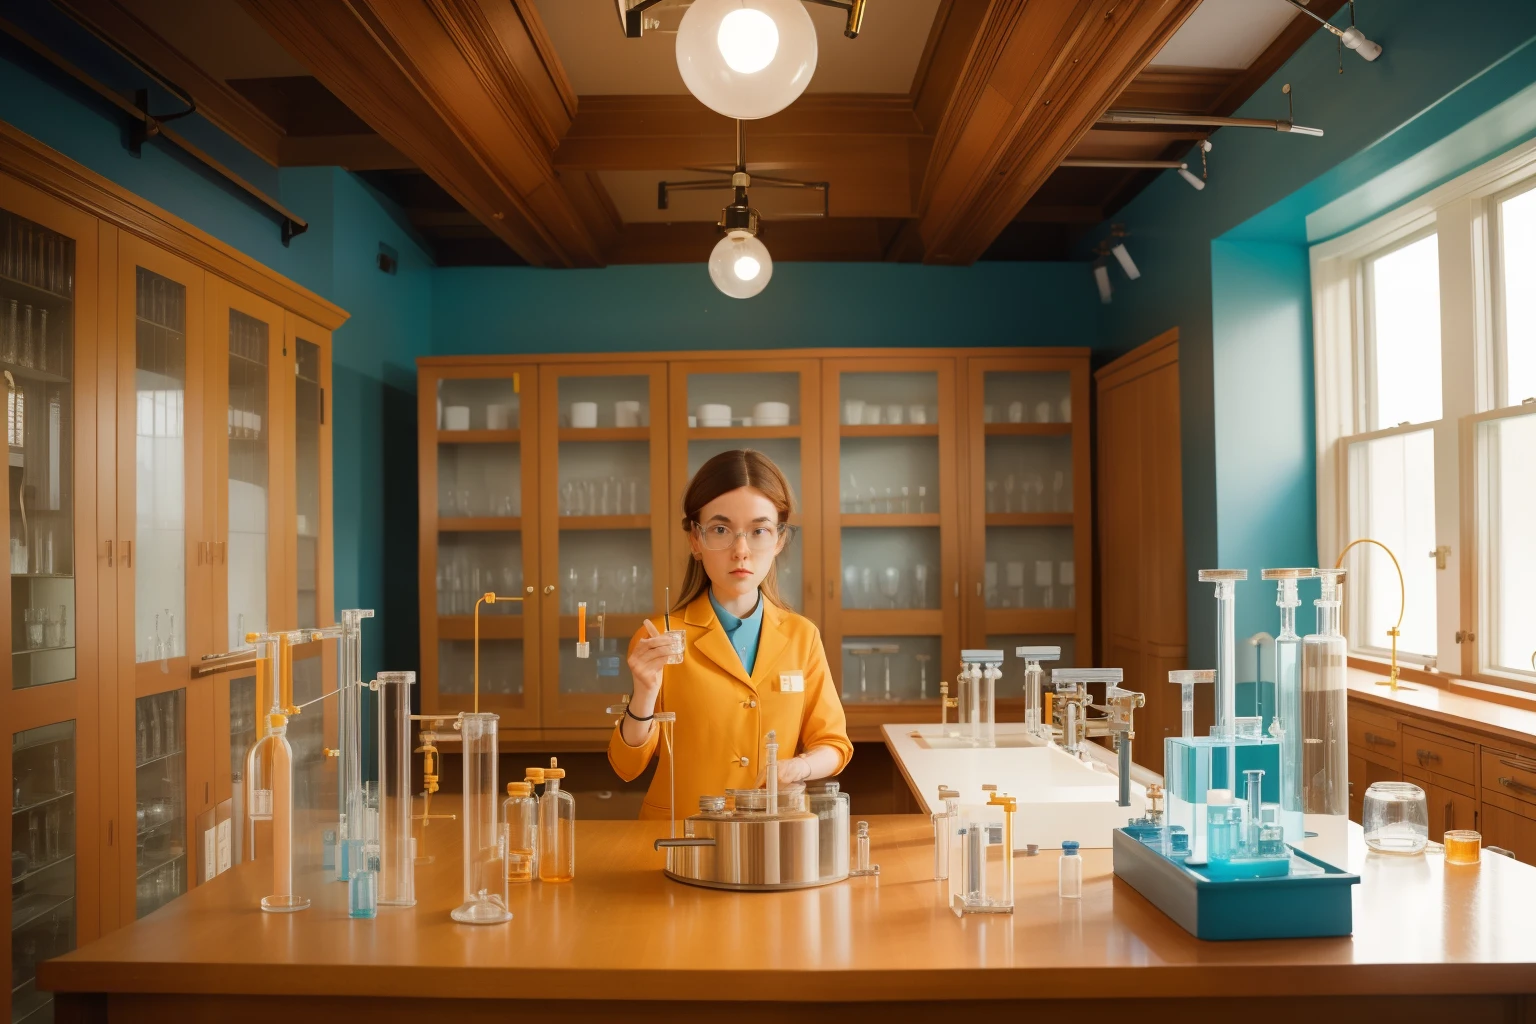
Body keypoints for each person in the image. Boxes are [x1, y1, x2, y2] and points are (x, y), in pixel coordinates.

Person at [607, 449, 851, 819]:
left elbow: (833, 744)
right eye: (721, 530)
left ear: (779, 539)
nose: (741, 551)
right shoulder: (658, 638)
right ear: (695, 540)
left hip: (774, 834)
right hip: (680, 839)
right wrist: (644, 695)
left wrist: (797, 767)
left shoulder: (803, 637)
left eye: (759, 531)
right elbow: (627, 766)